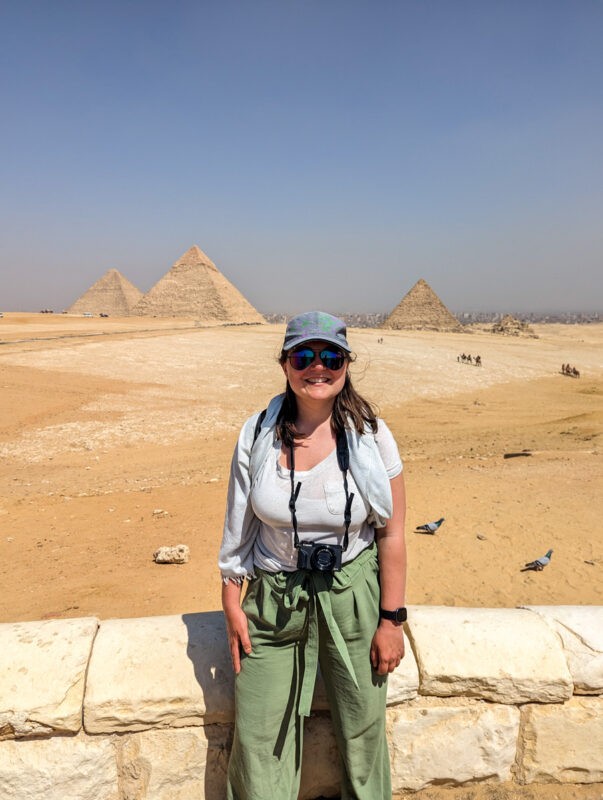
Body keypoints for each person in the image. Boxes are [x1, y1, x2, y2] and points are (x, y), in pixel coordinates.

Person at [219, 311, 407, 800]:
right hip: (275, 595)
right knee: (259, 735)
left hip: (352, 592)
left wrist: (392, 621)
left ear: (346, 364)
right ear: (284, 363)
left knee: (363, 734)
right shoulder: (258, 434)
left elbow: (392, 533)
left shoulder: (371, 435)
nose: (317, 368)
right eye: (303, 356)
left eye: (331, 357)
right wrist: (231, 601)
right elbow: (238, 526)